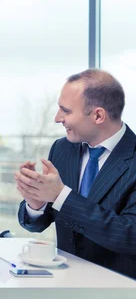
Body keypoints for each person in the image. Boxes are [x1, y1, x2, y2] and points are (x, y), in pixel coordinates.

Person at [16, 69, 136, 279]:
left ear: (98, 115)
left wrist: (60, 196)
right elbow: (39, 224)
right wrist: (36, 203)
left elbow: (130, 236)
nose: (57, 118)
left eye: (66, 111)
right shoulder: (62, 149)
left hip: (118, 287)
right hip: (65, 284)